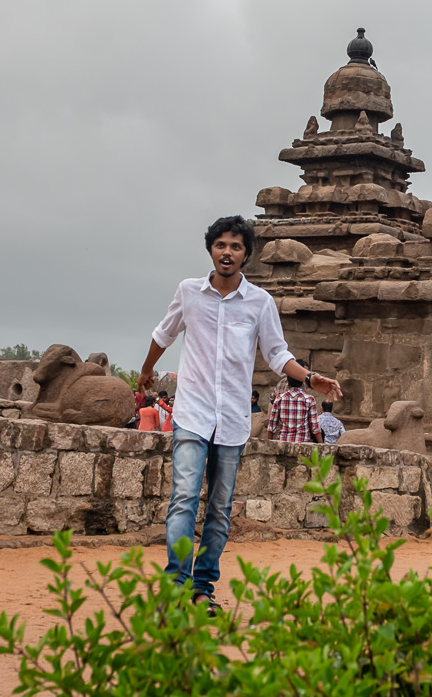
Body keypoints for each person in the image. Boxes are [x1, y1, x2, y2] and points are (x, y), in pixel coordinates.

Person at [141, 214, 340, 608]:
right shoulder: (189, 292)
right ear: (210, 250)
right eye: (220, 245)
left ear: (246, 254)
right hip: (193, 413)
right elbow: (163, 334)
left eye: (235, 246)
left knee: (218, 508)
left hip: (232, 419)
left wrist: (310, 375)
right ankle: (175, 587)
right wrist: (146, 370)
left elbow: (277, 352)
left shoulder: (260, 303)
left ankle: (202, 588)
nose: (227, 252)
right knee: (183, 497)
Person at [268, 374, 318, 444]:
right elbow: (315, 427)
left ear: (288, 383)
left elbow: (271, 426)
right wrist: (321, 444)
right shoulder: (309, 399)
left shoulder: (279, 398)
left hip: (282, 443)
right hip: (302, 444)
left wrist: (269, 444)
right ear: (302, 383)